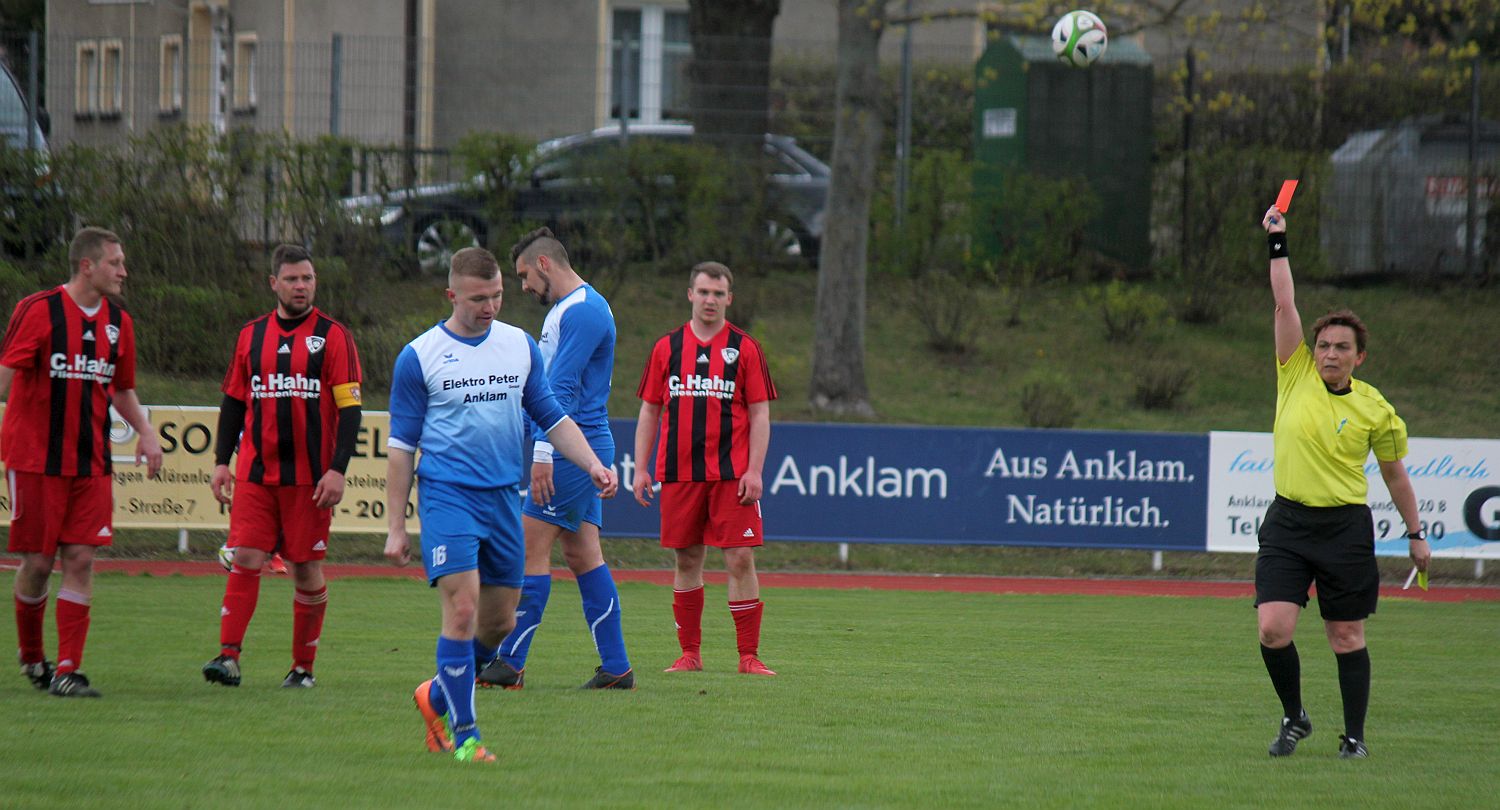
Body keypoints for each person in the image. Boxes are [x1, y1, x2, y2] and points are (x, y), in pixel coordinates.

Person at [384, 246, 618, 764]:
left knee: (499, 623)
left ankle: (436, 695)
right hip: (447, 498)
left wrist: (591, 464)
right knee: (462, 609)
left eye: (496, 296)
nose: (489, 307)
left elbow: (552, 415)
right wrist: (396, 526)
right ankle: (466, 737)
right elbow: (401, 448)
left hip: (500, 500)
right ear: (451, 295)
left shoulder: (518, 346)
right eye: (477, 299)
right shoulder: (419, 356)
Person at [1255, 206, 1429, 760]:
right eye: (1324, 345)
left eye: (1341, 348)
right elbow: (1285, 302)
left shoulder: (1377, 408)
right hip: (1287, 521)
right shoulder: (1295, 372)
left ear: (1360, 356)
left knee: (1346, 637)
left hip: (1344, 529)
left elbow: (1394, 474)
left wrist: (1416, 532)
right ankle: (1294, 716)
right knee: (1273, 630)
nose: (1329, 354)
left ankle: (1353, 739)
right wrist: (1278, 242)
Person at [2, 226, 163, 698]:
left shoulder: (119, 323)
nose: (124, 271)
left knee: (81, 558)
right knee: (36, 562)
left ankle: (69, 669)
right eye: (115, 263)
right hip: (35, 459)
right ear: (87, 266)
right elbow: (5, 375)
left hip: (90, 462)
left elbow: (121, 387)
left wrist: (147, 433)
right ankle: (33, 655)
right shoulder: (38, 311)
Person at [475, 228, 633, 691]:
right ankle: (616, 667)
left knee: (530, 548)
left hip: (570, 447)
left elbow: (559, 390)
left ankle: (510, 662)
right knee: (583, 554)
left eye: (524, 275)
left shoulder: (583, 311)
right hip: (582, 444)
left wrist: (543, 452)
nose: (522, 286)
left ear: (544, 264)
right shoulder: (573, 309)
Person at [201, 244, 363, 689]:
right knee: (246, 558)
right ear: (274, 283)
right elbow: (234, 402)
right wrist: (220, 462)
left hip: (310, 480)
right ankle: (228, 656)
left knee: (304, 569)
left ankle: (302, 668)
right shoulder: (250, 336)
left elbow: (350, 410)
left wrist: (337, 469)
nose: (301, 286)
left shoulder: (334, 336)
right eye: (292, 279)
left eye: (307, 278)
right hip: (256, 474)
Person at [632, 262, 777, 676]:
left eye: (718, 293)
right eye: (703, 292)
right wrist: (641, 468)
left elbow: (760, 413)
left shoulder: (745, 348)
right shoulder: (667, 347)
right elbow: (649, 410)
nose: (710, 300)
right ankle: (689, 654)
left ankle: (748, 656)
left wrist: (755, 470)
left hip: (732, 474)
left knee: (740, 559)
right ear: (690, 294)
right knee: (687, 558)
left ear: (729, 298)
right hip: (680, 473)